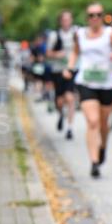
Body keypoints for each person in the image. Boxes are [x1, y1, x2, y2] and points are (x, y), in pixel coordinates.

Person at [63, 3, 112, 178]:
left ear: (103, 16)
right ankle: (94, 162)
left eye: (98, 15)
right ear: (87, 18)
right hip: (86, 81)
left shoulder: (110, 34)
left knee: (103, 123)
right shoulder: (80, 35)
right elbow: (75, 53)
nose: (95, 18)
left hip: (107, 83)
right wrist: (69, 67)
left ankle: (103, 147)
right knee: (92, 121)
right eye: (91, 15)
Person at [47, 11, 78, 139]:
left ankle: (70, 128)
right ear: (60, 21)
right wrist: (57, 54)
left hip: (71, 69)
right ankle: (60, 114)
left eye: (68, 19)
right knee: (59, 101)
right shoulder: (54, 35)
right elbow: (48, 53)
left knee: (70, 98)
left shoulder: (76, 33)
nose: (66, 22)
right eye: (64, 19)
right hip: (58, 71)